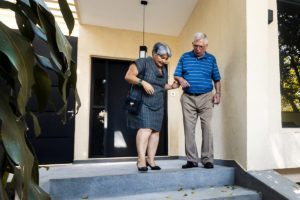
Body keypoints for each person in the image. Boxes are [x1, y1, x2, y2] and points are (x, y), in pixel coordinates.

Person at [125, 42, 179, 172]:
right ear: (154, 53)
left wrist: (171, 86)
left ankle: (151, 160)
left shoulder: (164, 69)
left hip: (158, 104)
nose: (164, 60)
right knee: (145, 129)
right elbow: (128, 76)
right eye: (161, 57)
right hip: (144, 102)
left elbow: (161, 86)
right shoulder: (142, 62)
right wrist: (142, 82)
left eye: (166, 58)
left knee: (155, 132)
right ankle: (141, 160)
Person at [174, 32, 221, 169]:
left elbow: (217, 78)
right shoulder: (185, 57)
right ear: (193, 44)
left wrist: (218, 93)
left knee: (207, 128)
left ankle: (207, 159)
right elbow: (177, 74)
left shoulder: (211, 59)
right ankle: (192, 160)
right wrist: (181, 79)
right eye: (195, 46)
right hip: (188, 98)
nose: (198, 49)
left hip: (206, 97)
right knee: (189, 129)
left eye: (200, 46)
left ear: (206, 46)